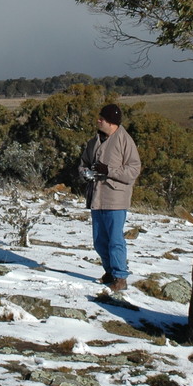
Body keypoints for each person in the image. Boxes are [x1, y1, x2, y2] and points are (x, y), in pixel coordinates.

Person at [78, 103, 142, 291]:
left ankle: (120, 277)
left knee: (115, 240)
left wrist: (109, 171)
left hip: (116, 198)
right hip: (96, 197)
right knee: (99, 240)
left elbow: (133, 169)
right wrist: (85, 173)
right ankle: (109, 271)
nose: (98, 120)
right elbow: (83, 163)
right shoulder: (94, 142)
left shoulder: (125, 140)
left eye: (102, 118)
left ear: (111, 122)